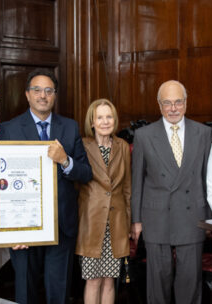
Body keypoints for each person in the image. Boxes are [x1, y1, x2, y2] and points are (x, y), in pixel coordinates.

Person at [0, 68, 93, 304]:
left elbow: (85, 173)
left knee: (58, 292)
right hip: (22, 227)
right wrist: (9, 228)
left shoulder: (69, 127)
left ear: (55, 95)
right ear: (27, 94)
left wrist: (65, 160)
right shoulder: (9, 129)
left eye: (49, 91)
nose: (43, 95)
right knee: (25, 291)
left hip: (61, 225)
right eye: (37, 90)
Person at [131, 80, 212, 304]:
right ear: (159, 105)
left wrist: (209, 218)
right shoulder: (144, 135)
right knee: (157, 285)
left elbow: (208, 179)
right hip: (156, 216)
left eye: (178, 102)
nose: (173, 108)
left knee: (190, 284)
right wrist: (136, 220)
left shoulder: (203, 133)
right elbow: (137, 181)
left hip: (192, 216)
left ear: (186, 103)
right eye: (167, 103)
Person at [76, 99, 132, 304]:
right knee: (93, 281)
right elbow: (76, 185)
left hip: (116, 224)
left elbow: (127, 188)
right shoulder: (82, 145)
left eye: (109, 117)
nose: (105, 121)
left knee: (109, 281)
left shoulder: (122, 146)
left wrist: (128, 223)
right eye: (100, 117)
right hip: (91, 223)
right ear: (92, 122)